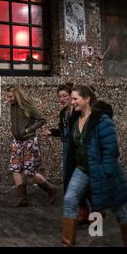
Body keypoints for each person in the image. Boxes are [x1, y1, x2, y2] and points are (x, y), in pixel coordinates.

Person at [61, 85, 127, 246]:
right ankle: (67, 243)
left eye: (75, 99)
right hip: (82, 169)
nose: (72, 102)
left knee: (118, 209)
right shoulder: (74, 120)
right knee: (69, 199)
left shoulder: (101, 120)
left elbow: (111, 150)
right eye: (71, 99)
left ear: (87, 99)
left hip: (102, 170)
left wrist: (105, 171)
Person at [43, 83, 93, 226]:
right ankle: (82, 212)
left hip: (78, 151)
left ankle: (95, 211)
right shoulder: (63, 113)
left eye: (65, 95)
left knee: (83, 183)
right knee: (69, 180)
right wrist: (52, 132)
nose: (62, 99)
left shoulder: (79, 113)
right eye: (60, 96)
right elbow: (64, 133)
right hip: (67, 151)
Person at [5, 84, 57, 207]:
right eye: (7, 97)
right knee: (15, 169)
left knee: (30, 172)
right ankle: (22, 199)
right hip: (17, 142)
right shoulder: (12, 106)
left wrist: (28, 130)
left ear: (17, 95)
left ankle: (50, 189)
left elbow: (42, 119)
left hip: (29, 141)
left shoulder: (27, 106)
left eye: (11, 96)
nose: (8, 99)